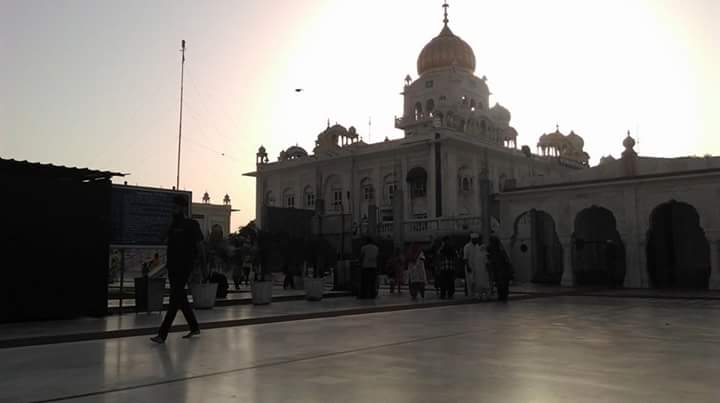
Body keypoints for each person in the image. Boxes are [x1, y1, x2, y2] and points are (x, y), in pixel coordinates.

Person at [151, 195, 204, 344]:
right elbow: (161, 239)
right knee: (180, 298)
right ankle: (194, 327)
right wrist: (169, 224)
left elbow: (200, 246)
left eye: (175, 207)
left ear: (182, 208)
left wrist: (201, 266)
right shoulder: (173, 225)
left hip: (185, 266)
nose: (173, 209)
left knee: (175, 299)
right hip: (173, 266)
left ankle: (162, 334)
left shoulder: (192, 224)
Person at [463, 233, 490, 300]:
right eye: (475, 239)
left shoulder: (478, 247)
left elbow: (483, 256)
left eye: (477, 239)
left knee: (477, 282)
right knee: (471, 282)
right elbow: (465, 258)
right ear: (472, 239)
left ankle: (477, 295)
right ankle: (471, 295)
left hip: (477, 267)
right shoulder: (467, 246)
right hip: (470, 266)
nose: (476, 241)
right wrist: (468, 267)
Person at [487, 236, 512, 302]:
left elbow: (506, 261)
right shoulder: (497, 251)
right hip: (499, 271)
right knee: (500, 284)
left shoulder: (500, 251)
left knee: (502, 284)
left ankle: (503, 296)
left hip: (502, 271)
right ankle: (502, 296)